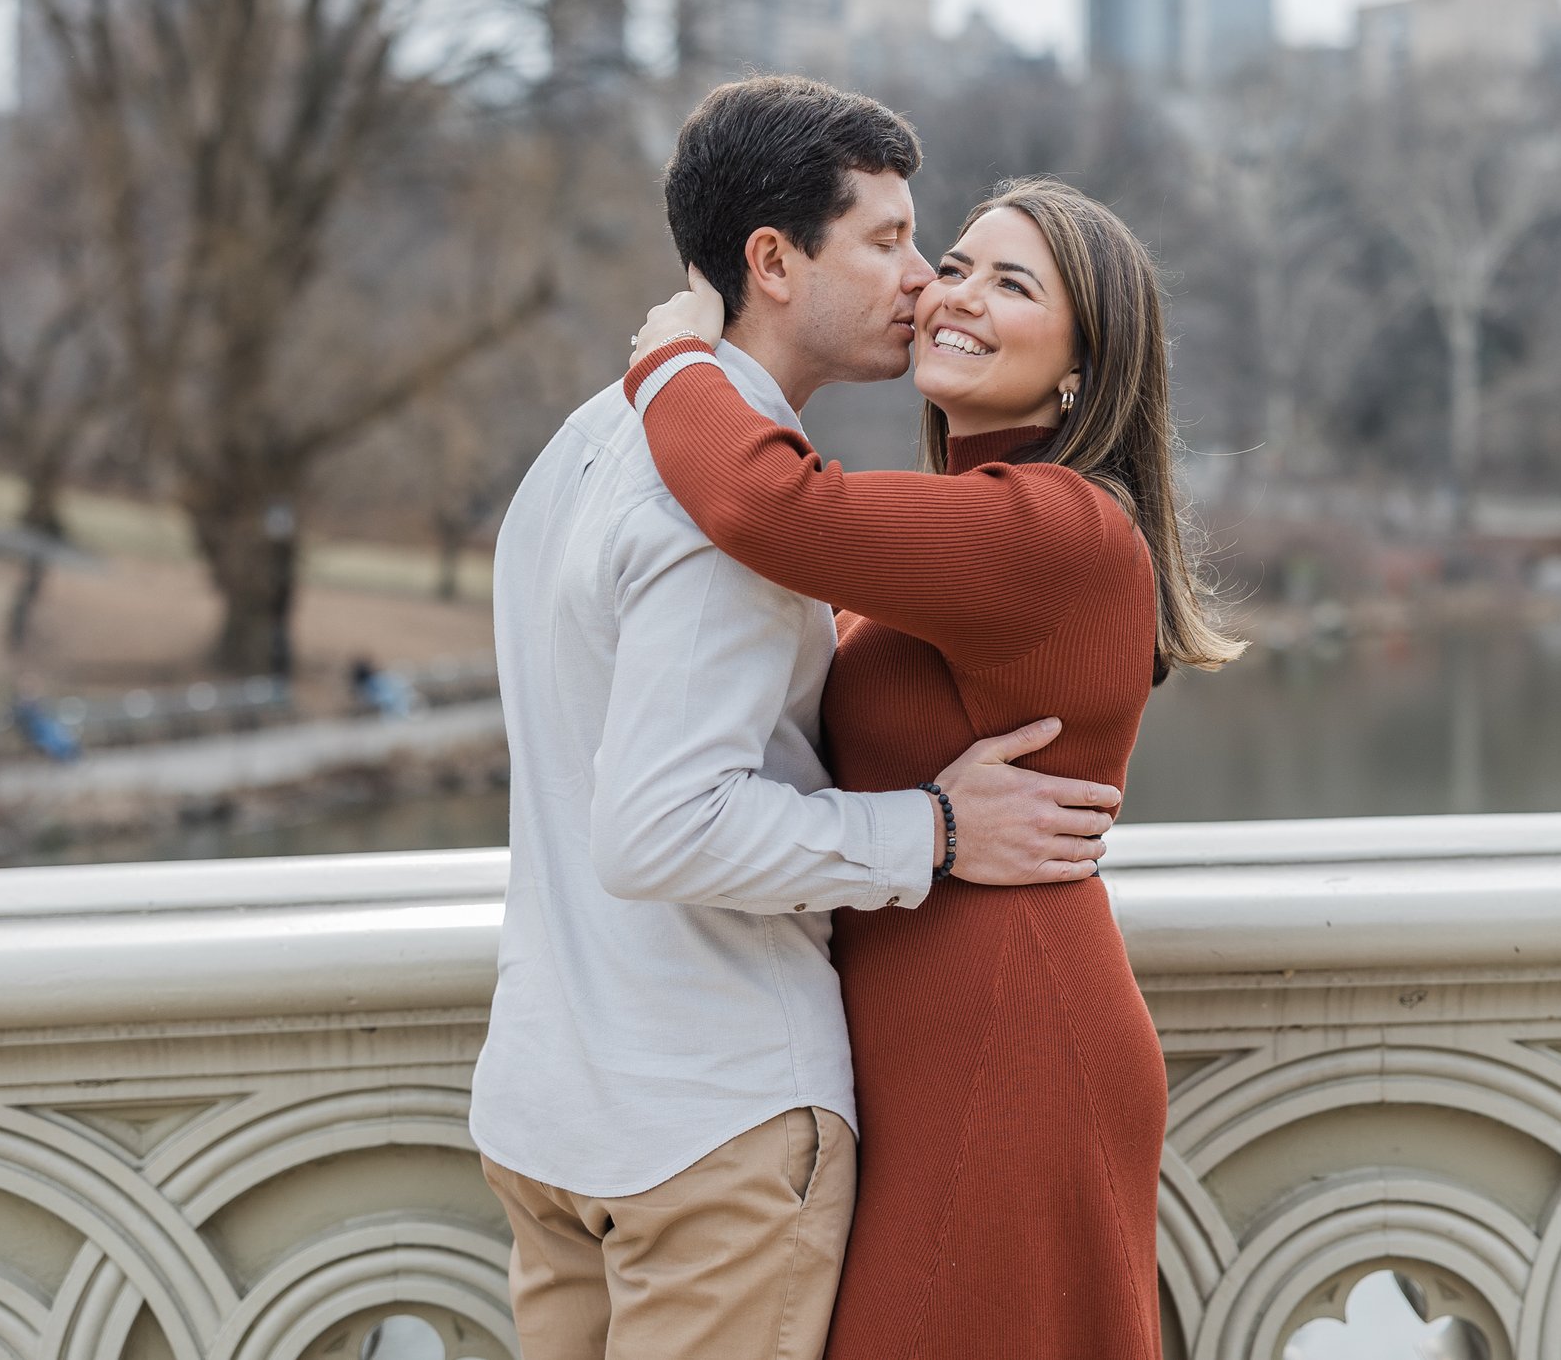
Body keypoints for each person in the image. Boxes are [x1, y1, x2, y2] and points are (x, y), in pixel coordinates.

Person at [470, 77, 1123, 1360]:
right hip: (709, 1121)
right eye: (889, 241)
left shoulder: (583, 447)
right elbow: (657, 827)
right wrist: (927, 831)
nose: (924, 282)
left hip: (554, 1113)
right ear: (772, 260)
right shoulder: (721, 502)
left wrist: (665, 365)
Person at [626, 174, 1244, 1360]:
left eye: (1013, 283)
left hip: (1006, 1041)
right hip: (923, 1044)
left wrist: (672, 361)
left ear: (1083, 367)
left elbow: (767, 506)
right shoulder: (984, 514)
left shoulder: (1054, 526)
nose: (953, 294)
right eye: (953, 265)